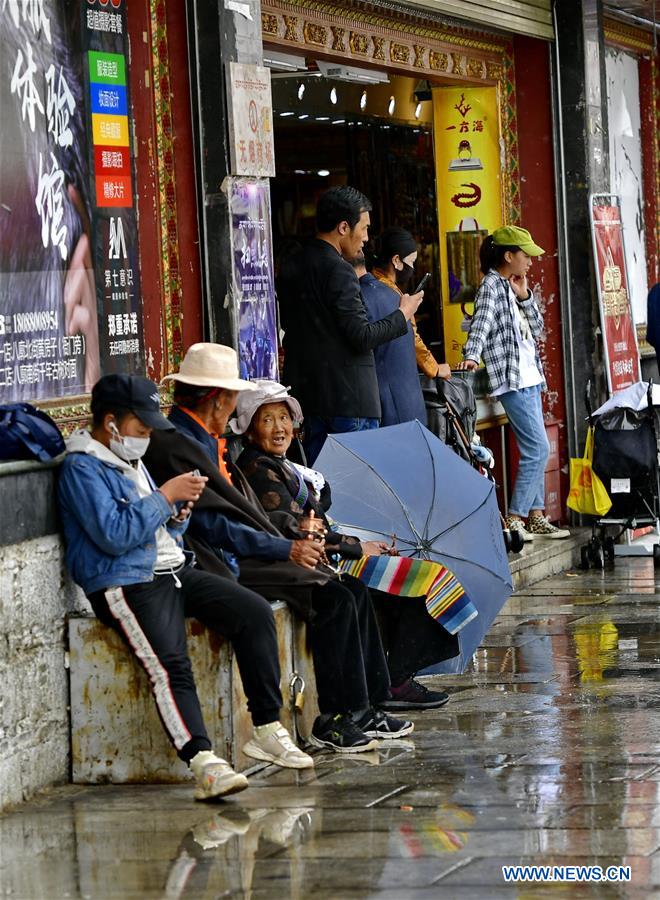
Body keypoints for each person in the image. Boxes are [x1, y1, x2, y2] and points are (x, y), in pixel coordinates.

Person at [144, 343, 414, 751]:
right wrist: (285, 550)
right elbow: (214, 524)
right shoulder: (180, 444)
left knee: (350, 591)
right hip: (222, 558)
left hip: (249, 548)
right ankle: (335, 716)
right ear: (218, 400)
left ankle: (365, 706)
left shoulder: (205, 441)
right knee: (334, 596)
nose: (235, 411)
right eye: (236, 402)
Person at [58, 374, 314, 803]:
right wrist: (164, 496)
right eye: (140, 428)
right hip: (126, 582)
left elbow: (160, 530)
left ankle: (267, 727)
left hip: (171, 568)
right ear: (111, 423)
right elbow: (114, 536)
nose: (145, 437)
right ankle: (203, 761)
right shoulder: (82, 467)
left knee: (251, 612)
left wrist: (177, 515)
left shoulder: (130, 459)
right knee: (169, 664)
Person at [232, 379, 457, 710]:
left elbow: (313, 514)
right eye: (267, 420)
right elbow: (294, 527)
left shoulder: (285, 464)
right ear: (250, 431)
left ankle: (392, 678)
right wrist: (357, 546)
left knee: (419, 576)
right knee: (416, 581)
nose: (280, 428)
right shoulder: (257, 467)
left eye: (283, 418)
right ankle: (392, 681)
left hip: (331, 549)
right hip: (319, 557)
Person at [277, 185, 424, 463]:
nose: (367, 238)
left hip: (310, 398)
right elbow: (362, 336)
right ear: (344, 227)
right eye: (365, 228)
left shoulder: (292, 265)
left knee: (321, 488)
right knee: (357, 495)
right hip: (350, 401)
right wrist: (402, 313)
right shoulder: (339, 269)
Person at [457, 226, 569, 541]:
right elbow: (481, 323)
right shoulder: (491, 287)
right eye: (525, 256)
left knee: (535, 447)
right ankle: (516, 516)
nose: (530, 263)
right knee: (538, 448)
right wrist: (472, 355)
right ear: (509, 256)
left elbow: (539, 329)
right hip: (512, 381)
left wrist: (526, 296)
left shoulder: (511, 286)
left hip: (530, 378)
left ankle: (535, 515)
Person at [371, 226, 452, 383]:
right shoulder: (391, 293)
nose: (412, 268)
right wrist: (434, 368)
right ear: (396, 260)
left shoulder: (372, 283)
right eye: (411, 261)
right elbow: (411, 335)